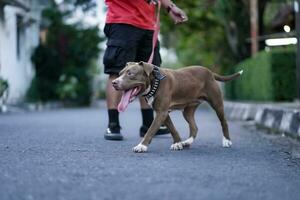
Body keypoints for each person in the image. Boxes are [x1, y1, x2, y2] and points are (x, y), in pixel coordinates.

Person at [103, 0, 188, 140]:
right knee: (117, 71)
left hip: (148, 26)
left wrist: (170, 7)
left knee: (149, 74)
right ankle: (113, 125)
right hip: (122, 21)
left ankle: (148, 125)